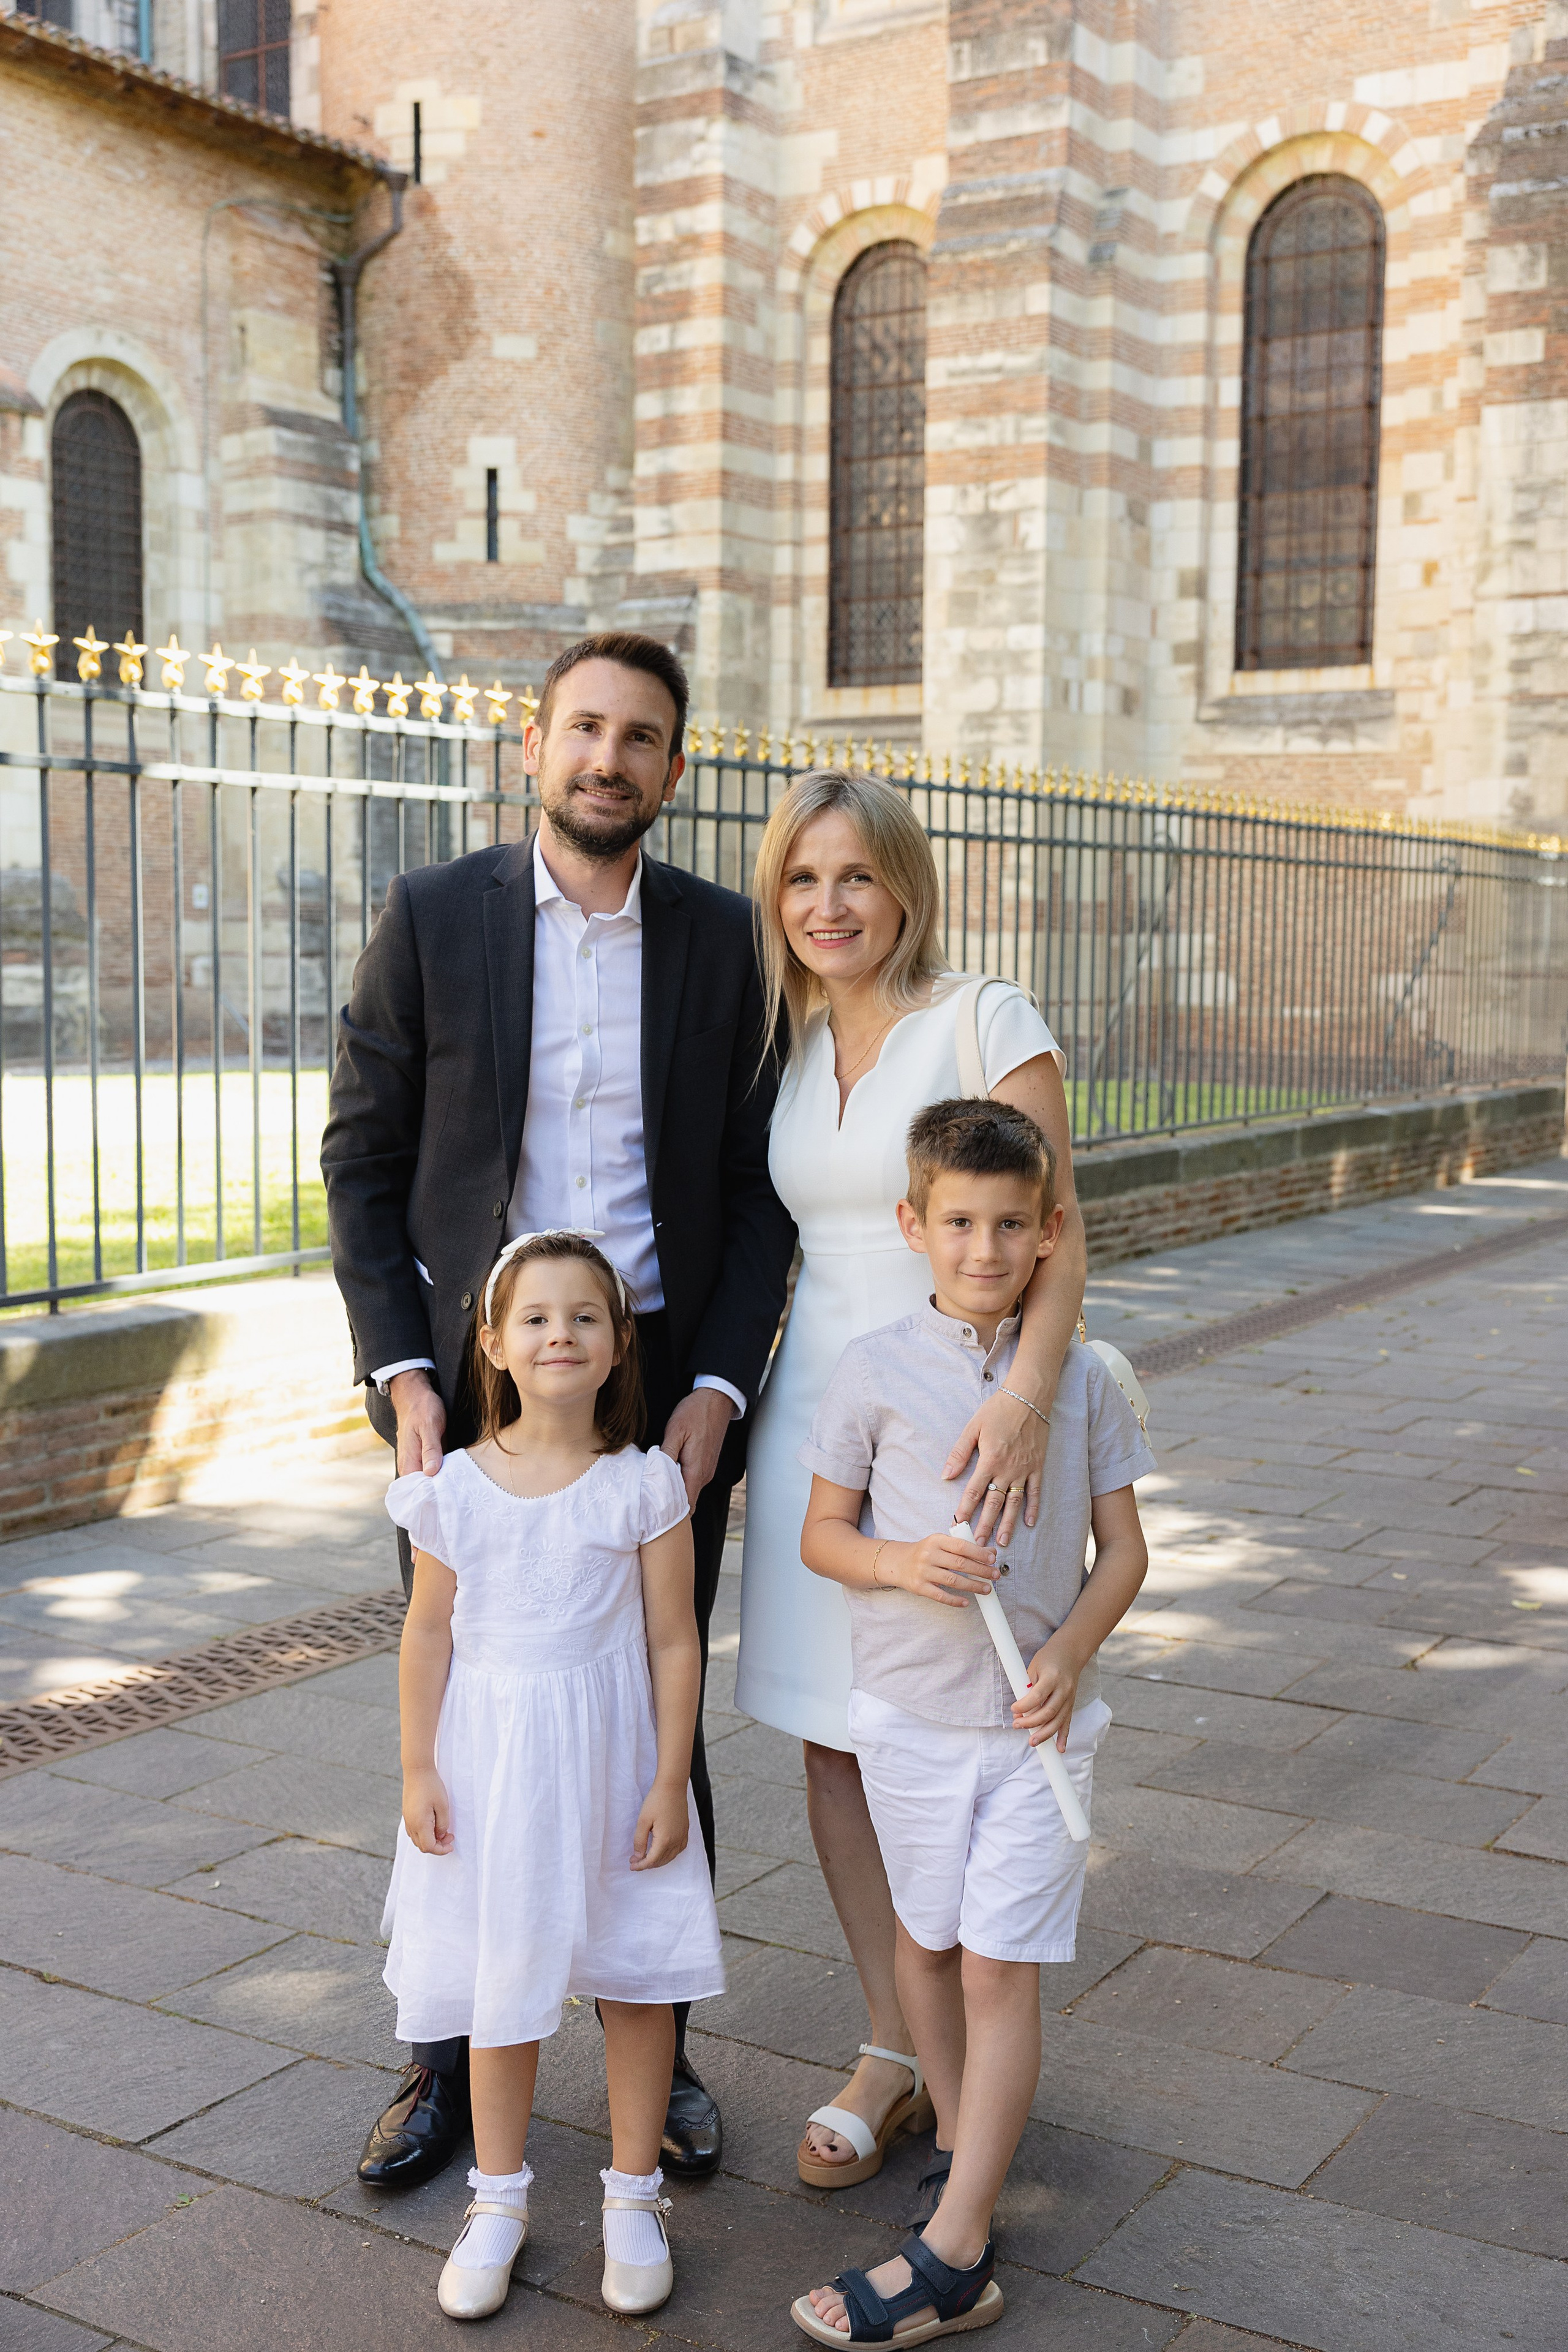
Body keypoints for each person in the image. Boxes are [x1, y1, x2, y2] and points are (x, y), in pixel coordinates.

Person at [323, 632, 796, 2190]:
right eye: (584, 728)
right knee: (465, 1702)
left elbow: (753, 1188)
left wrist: (721, 1383)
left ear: (675, 767)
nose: (608, 758)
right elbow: (362, 1159)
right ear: (534, 747)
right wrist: (403, 1374)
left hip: (660, 1379)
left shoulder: (727, 943)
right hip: (479, 1375)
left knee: (657, 1698)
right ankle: (444, 2057)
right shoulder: (433, 915)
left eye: (640, 736)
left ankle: (657, 2052)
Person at [733, 771, 1088, 2190]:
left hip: (955, 1428)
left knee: (954, 1736)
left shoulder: (981, 1017)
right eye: (802, 880)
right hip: (818, 1428)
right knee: (837, 1739)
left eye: (857, 878)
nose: (828, 906)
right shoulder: (794, 1041)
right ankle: (891, 2046)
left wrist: (1021, 1400)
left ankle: (964, 2046)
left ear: (904, 888)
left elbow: (1059, 1231)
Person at [789, 1099, 1153, 2343]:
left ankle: (954, 2251)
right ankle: (958, 2144)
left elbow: (1122, 1551)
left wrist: (1067, 1649)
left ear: (1051, 1234)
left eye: (1010, 1227)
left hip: (1033, 1733)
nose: (984, 1251)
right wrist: (898, 1566)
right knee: (927, 1946)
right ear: (912, 1225)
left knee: (1000, 1966)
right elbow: (818, 1536)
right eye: (958, 1223)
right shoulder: (871, 1369)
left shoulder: (1084, 1379)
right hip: (906, 1720)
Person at [386, 1230, 722, 2321]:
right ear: (492, 1343)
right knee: (504, 1983)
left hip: (616, 1766)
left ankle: (634, 2194)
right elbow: (427, 1636)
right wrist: (417, 1767)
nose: (559, 1334)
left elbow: (675, 1640)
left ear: (621, 1343)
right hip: (492, 1773)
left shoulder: (645, 1489)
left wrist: (671, 1778)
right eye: (534, 1318)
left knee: (631, 1977)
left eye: (584, 1316)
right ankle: (498, 2198)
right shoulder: (457, 1493)